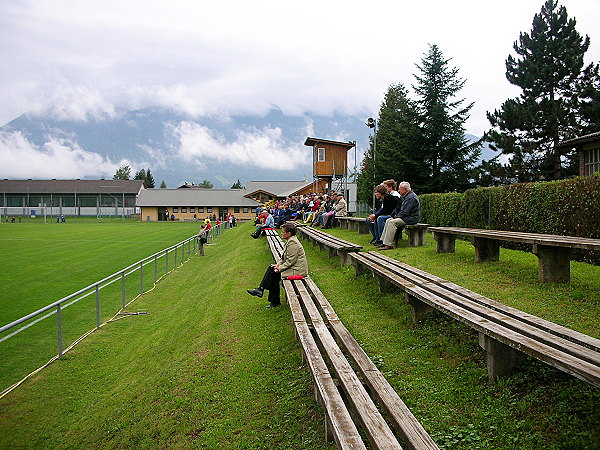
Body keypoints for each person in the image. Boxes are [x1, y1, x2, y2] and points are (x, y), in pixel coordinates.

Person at [247, 222, 308, 308]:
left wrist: (279, 268)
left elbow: (290, 261)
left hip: (297, 271)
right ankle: (263, 292)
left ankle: (266, 294)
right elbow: (283, 258)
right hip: (293, 268)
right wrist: (277, 265)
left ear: (289, 233)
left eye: (283, 232)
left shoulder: (293, 243)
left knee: (274, 274)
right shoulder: (290, 241)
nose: (281, 233)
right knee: (272, 268)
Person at [377, 181, 421, 250]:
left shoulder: (410, 198)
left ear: (405, 189)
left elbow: (405, 212)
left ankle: (389, 245)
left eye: (400, 189)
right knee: (388, 220)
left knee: (392, 222)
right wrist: (396, 216)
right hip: (407, 217)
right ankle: (384, 242)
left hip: (411, 218)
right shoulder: (408, 196)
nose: (398, 190)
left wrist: (396, 216)